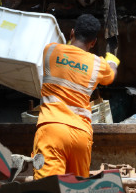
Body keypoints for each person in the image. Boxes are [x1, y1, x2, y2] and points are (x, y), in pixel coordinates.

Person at [32, 14, 120, 179]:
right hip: (80, 135)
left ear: (72, 33)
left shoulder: (50, 50)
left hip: (52, 129)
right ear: (93, 43)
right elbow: (110, 77)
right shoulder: (97, 64)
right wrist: (113, 62)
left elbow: (65, 55)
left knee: (47, 191)